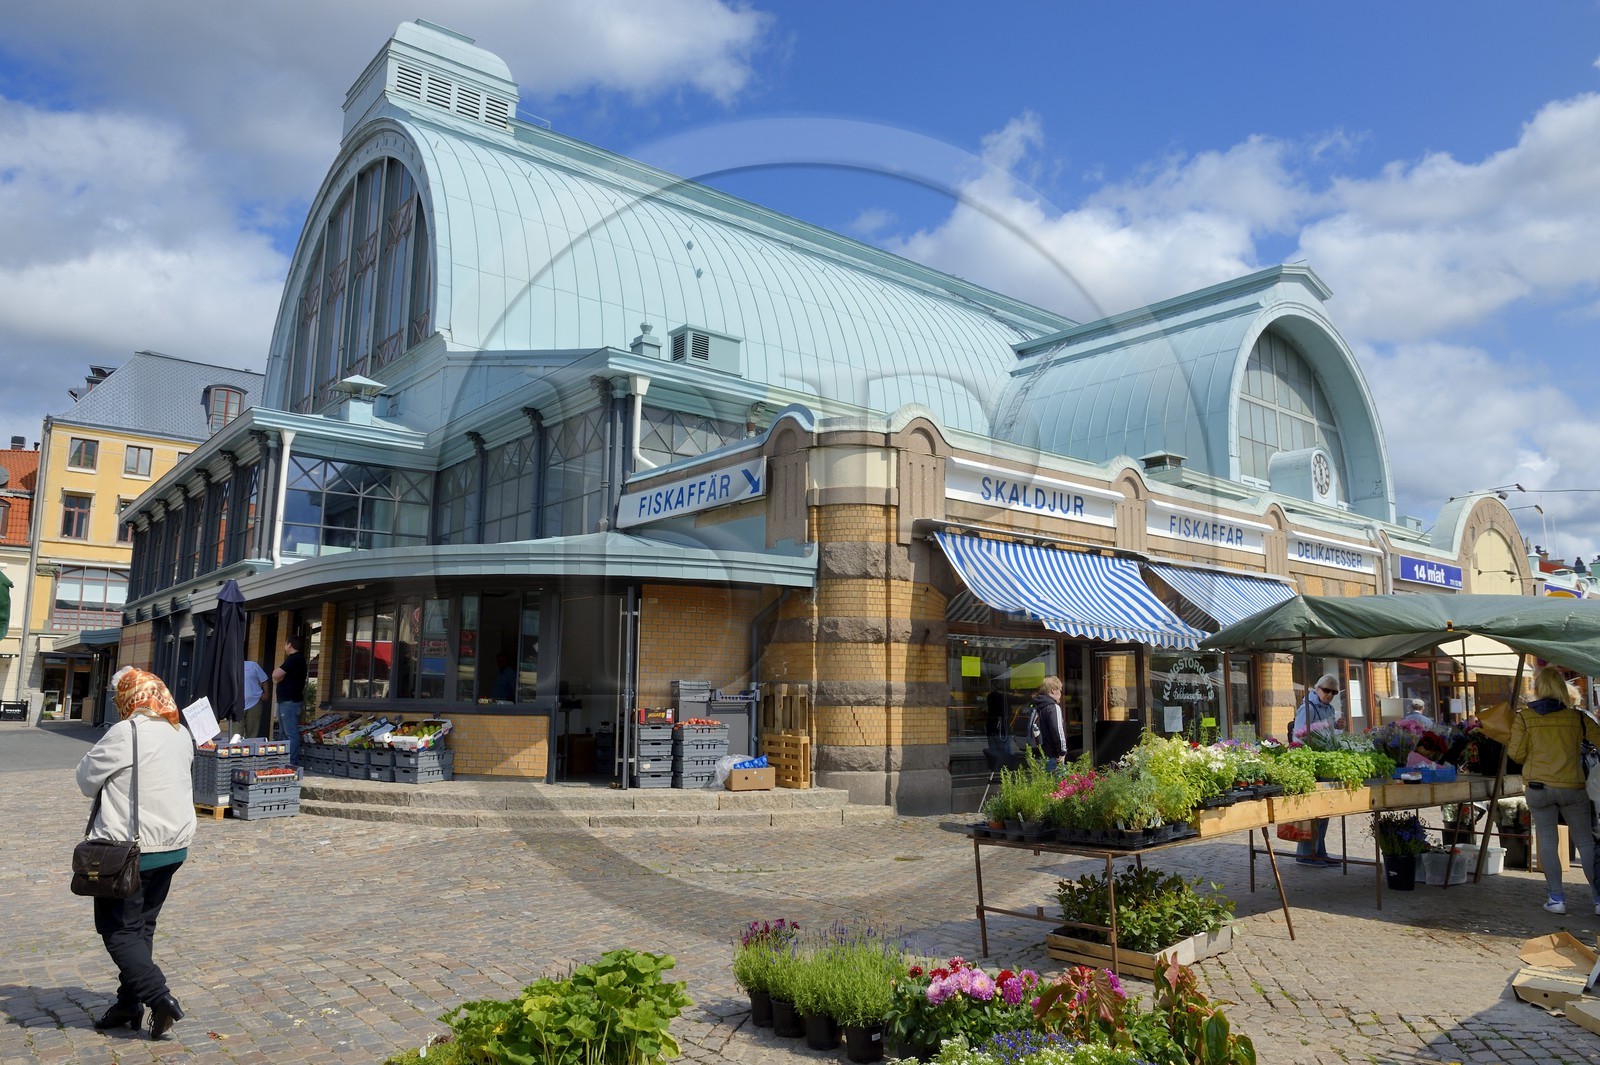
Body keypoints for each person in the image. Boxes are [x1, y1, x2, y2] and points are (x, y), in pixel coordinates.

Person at [77, 667, 196, 1040]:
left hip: (130, 851)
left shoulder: (126, 732)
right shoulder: (181, 732)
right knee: (141, 927)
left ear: (128, 699)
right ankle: (128, 1003)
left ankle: (159, 997)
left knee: (117, 930)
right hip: (173, 847)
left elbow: (85, 780)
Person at [1507, 665, 1600, 916]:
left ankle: (1556, 899)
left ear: (1538, 689)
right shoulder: (1577, 716)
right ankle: (1599, 899)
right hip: (1573, 786)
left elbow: (1515, 753)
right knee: (1585, 843)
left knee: (1547, 840)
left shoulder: (1525, 717)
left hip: (1539, 787)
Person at [1294, 674, 1346, 867]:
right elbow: (1300, 733)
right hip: (1311, 762)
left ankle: (1319, 850)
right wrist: (1329, 725)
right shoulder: (1307, 707)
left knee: (1325, 810)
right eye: (1326, 690)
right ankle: (1306, 853)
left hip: (1325, 760)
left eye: (1334, 692)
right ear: (1317, 688)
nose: (1330, 695)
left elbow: (1329, 733)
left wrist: (1338, 727)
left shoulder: (1330, 708)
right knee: (1313, 809)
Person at [271, 635, 307, 767]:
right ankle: (284, 761)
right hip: (285, 701)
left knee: (290, 733)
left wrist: (279, 677)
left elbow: (275, 675)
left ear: (290, 644)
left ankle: (291, 762)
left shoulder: (295, 659)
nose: (284, 647)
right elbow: (277, 677)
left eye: (285, 644)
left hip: (290, 702)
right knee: (284, 733)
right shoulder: (294, 660)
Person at [1029, 676, 1068, 774]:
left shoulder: (1035, 705)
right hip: (1052, 757)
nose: (1061, 694)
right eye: (1060, 690)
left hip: (1036, 756)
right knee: (1060, 787)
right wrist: (1062, 752)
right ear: (1053, 690)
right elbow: (1057, 730)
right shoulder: (1053, 707)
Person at [240, 660, 270, 738]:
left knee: (252, 735)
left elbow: (264, 679)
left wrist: (266, 693)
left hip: (254, 703)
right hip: (236, 706)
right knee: (236, 736)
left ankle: (250, 750)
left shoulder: (252, 665)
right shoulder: (229, 667)